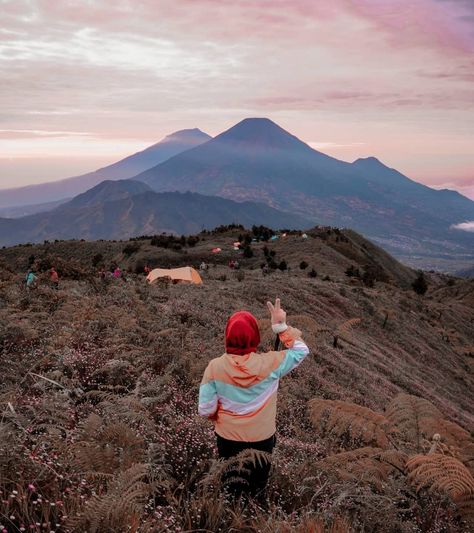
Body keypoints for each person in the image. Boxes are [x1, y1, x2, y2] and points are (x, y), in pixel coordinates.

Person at [198, 298, 309, 499]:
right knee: (257, 488)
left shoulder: (214, 367)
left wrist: (223, 415)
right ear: (255, 336)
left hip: (228, 439)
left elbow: (205, 410)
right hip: (263, 439)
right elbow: (301, 351)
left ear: (227, 336)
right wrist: (281, 328)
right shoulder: (271, 363)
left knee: (230, 487)